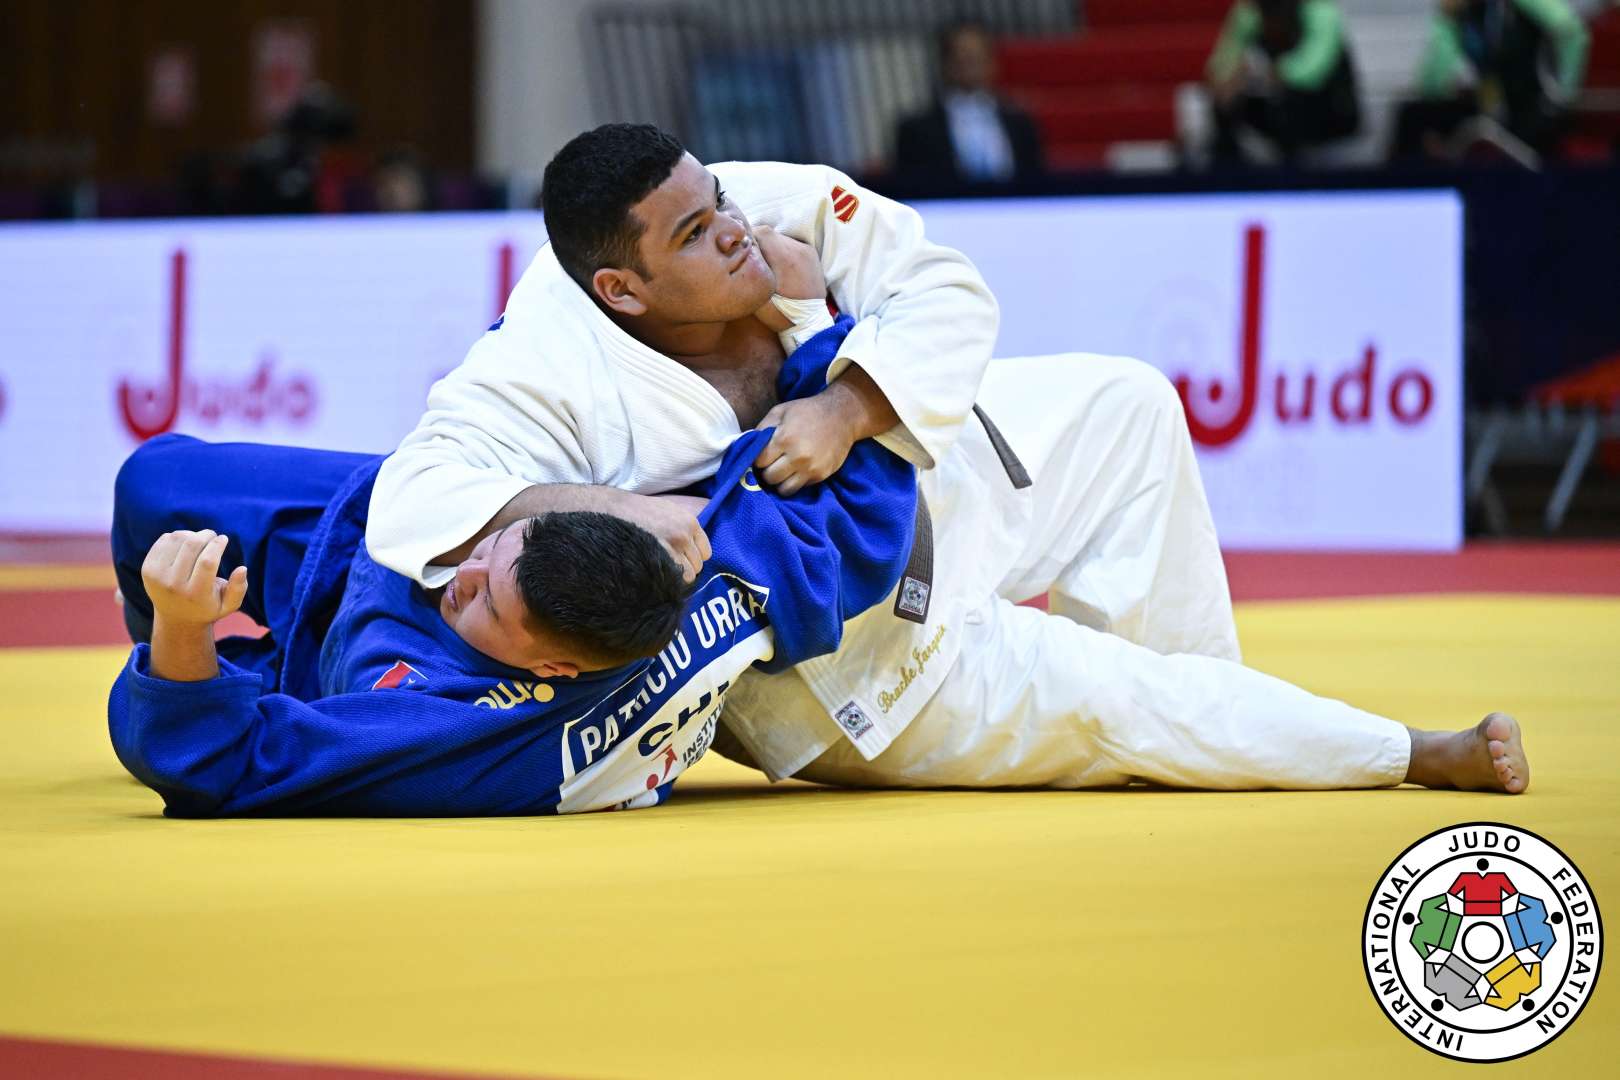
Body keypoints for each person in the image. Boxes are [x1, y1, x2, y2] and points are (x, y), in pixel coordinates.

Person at [367, 123, 1530, 797]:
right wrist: (620, 506)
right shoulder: (538, 365)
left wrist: (849, 411)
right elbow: (413, 503)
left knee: (1128, 405)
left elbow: (940, 283)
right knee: (1118, 696)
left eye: (714, 201)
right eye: (693, 233)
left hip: (920, 485)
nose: (729, 226)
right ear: (617, 288)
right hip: (856, 662)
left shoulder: (738, 204)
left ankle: (1213, 721)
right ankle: (1397, 754)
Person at [106, 318, 920, 816]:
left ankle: (182, 638)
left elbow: (220, 767)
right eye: (495, 552)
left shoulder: (462, 732)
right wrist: (828, 369)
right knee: (155, 483)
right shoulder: (705, 564)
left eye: (483, 605)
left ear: (554, 668)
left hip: (339, 652)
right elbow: (863, 534)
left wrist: (181, 628)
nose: (458, 575)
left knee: (178, 674)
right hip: (369, 528)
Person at [1391, 0, 1590, 161]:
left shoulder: (1524, 5)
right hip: (1492, 106)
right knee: (1413, 117)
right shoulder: (1465, 17)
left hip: (1535, 106)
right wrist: (1447, 22)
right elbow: (1432, 87)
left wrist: (1561, 96)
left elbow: (1570, 32)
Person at [1205, 0, 1362, 165]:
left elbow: (1313, 70)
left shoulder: (1321, 11)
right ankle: (1227, 170)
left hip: (1327, 112)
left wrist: (1268, 73)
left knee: (1293, 99)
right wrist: (1229, 79)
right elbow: (1221, 65)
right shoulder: (1249, 12)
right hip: (1274, 118)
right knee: (1225, 101)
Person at [894, 19, 1044, 183]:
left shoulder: (1021, 125)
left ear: (992, 63)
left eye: (976, 58)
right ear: (945, 64)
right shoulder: (916, 131)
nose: (970, 66)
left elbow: (1037, 181)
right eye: (961, 58)